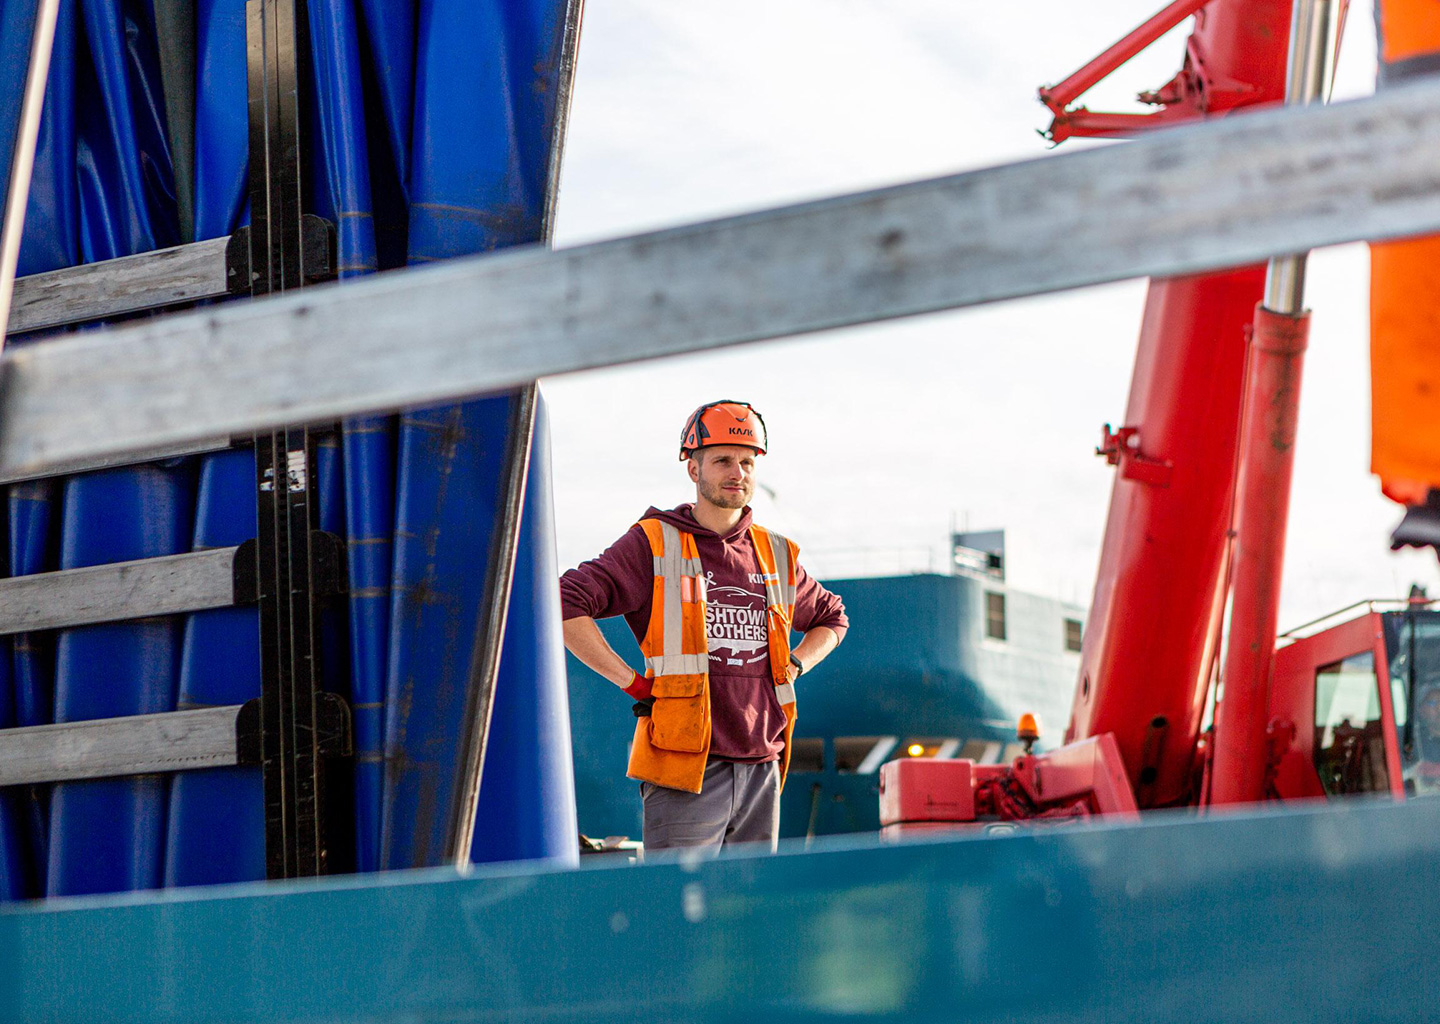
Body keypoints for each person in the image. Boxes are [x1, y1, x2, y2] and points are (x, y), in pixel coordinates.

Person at [560, 400, 847, 853]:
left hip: (762, 765)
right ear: (694, 470)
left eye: (747, 462)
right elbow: (566, 601)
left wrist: (795, 663)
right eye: (723, 461)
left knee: (745, 916)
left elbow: (833, 617)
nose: (738, 472)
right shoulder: (653, 542)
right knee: (680, 909)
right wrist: (631, 682)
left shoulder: (776, 554)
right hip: (686, 767)